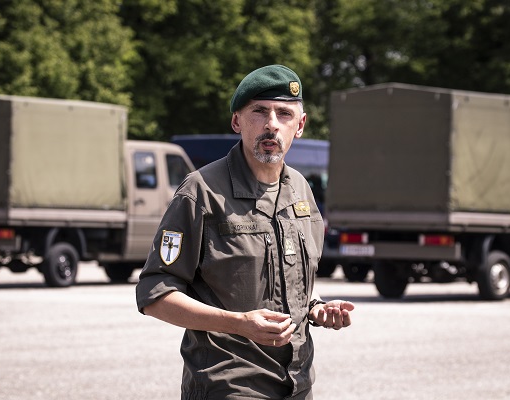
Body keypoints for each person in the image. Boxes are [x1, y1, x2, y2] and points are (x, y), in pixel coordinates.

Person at [136, 64, 355, 399]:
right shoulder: (200, 192)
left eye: (284, 113)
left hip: (297, 385)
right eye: (259, 111)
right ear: (237, 121)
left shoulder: (301, 191)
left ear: (300, 126)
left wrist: (315, 308)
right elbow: (155, 295)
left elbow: (289, 285)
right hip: (229, 386)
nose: (271, 124)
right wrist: (238, 323)